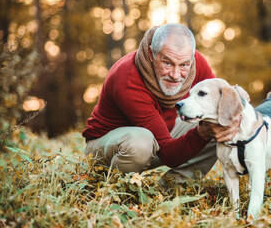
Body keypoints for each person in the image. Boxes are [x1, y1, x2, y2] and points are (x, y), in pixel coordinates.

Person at [83, 24, 240, 183]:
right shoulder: (127, 78)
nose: (175, 75)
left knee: (217, 122)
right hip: (111, 147)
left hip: (161, 136)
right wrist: (201, 133)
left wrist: (235, 106)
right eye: (167, 63)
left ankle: (172, 188)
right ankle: (114, 190)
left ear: (191, 58)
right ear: (151, 54)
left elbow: (219, 99)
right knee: (141, 142)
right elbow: (167, 154)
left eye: (184, 65)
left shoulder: (194, 61)